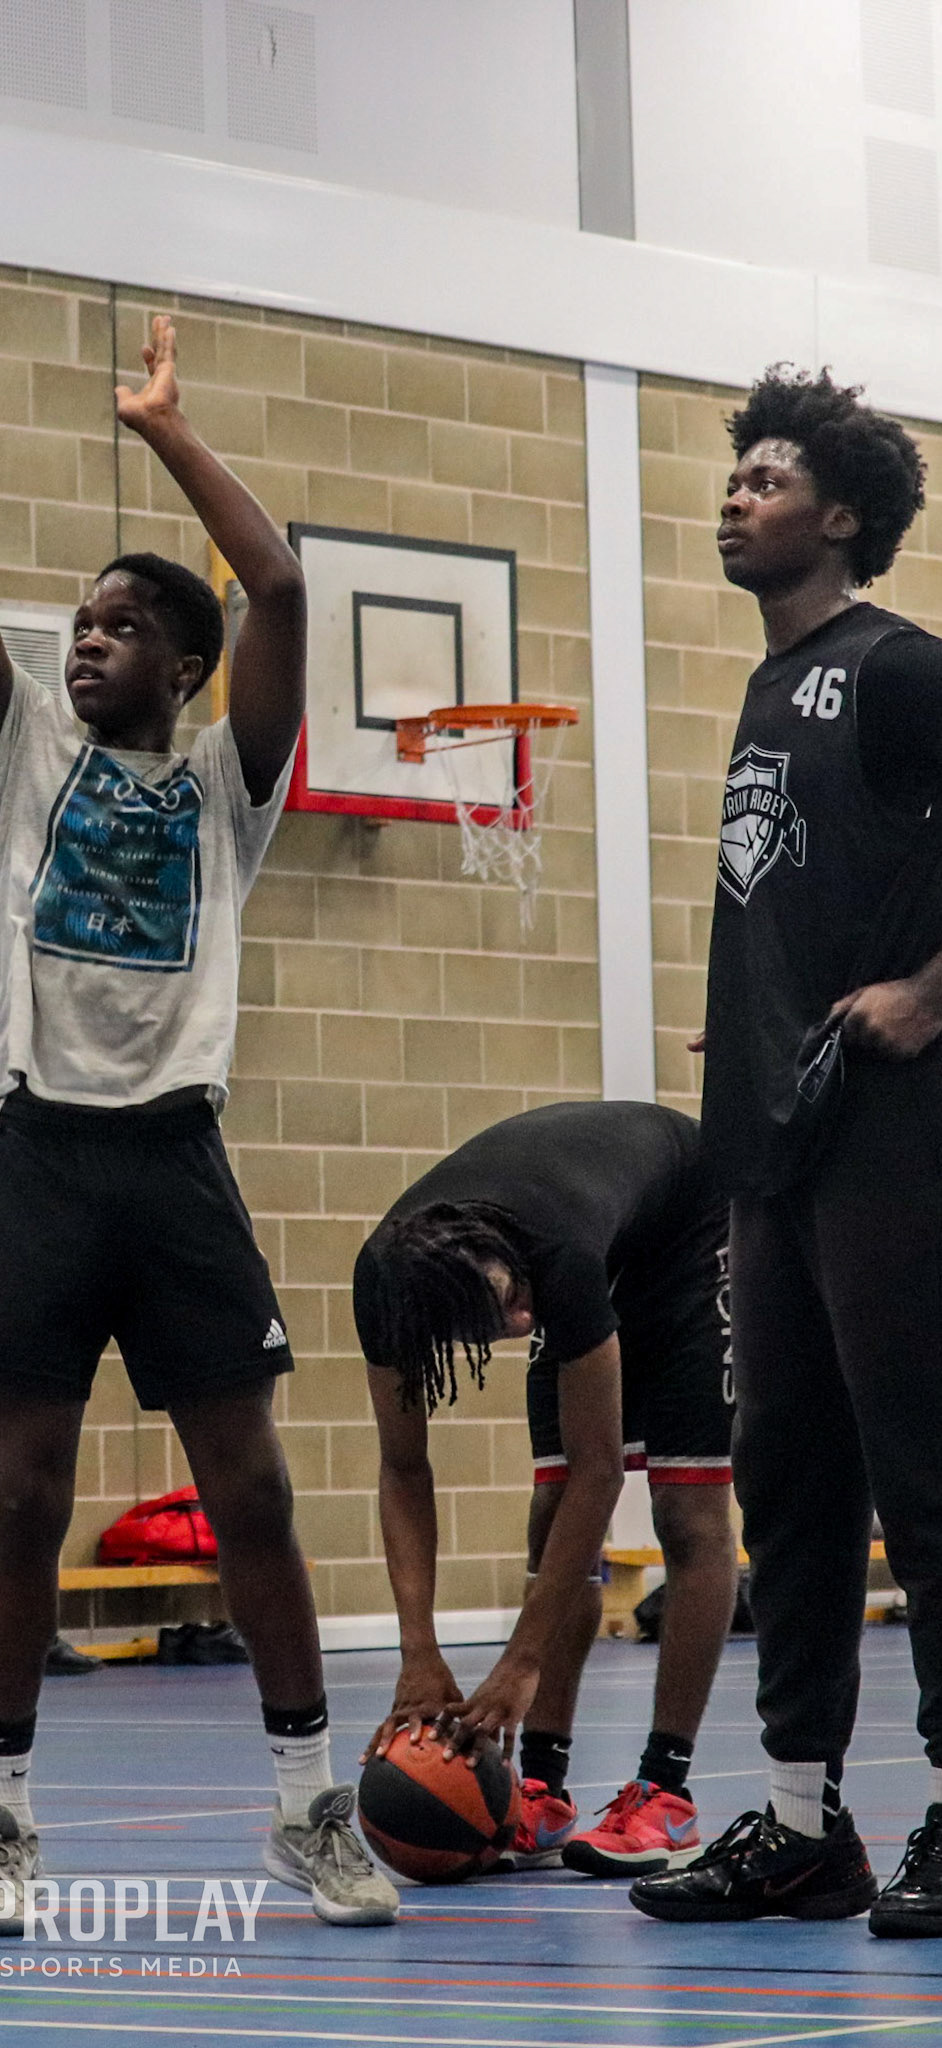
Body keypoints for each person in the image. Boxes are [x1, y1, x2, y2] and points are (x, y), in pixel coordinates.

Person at [0, 316, 397, 1934]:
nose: (86, 643)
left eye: (122, 626)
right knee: (24, 1494)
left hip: (175, 1156)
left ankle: (305, 1804)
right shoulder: (17, 758)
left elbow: (279, 590)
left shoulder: (225, 789)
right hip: (42, 1153)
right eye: (79, 622)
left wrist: (163, 430)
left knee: (249, 1490)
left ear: (183, 670)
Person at [630, 368, 942, 1934]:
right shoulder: (768, 688)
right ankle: (803, 1823)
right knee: (789, 1482)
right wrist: (752, 1027)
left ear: (839, 515)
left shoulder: (897, 670)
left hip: (893, 1135)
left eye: (767, 477)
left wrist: (927, 992)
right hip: (771, 1141)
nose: (735, 495)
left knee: (923, 1471)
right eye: (734, 475)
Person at [353, 1101, 736, 1877]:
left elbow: (604, 1469)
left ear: (503, 1259)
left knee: (686, 1508)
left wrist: (521, 1661)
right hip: (591, 1229)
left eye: (514, 1297)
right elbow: (403, 1469)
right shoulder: (386, 1288)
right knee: (551, 1509)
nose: (526, 1319)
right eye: (501, 1320)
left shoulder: (552, 1257)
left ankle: (666, 1793)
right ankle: (540, 1787)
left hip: (692, 1219)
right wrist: (418, 1652)